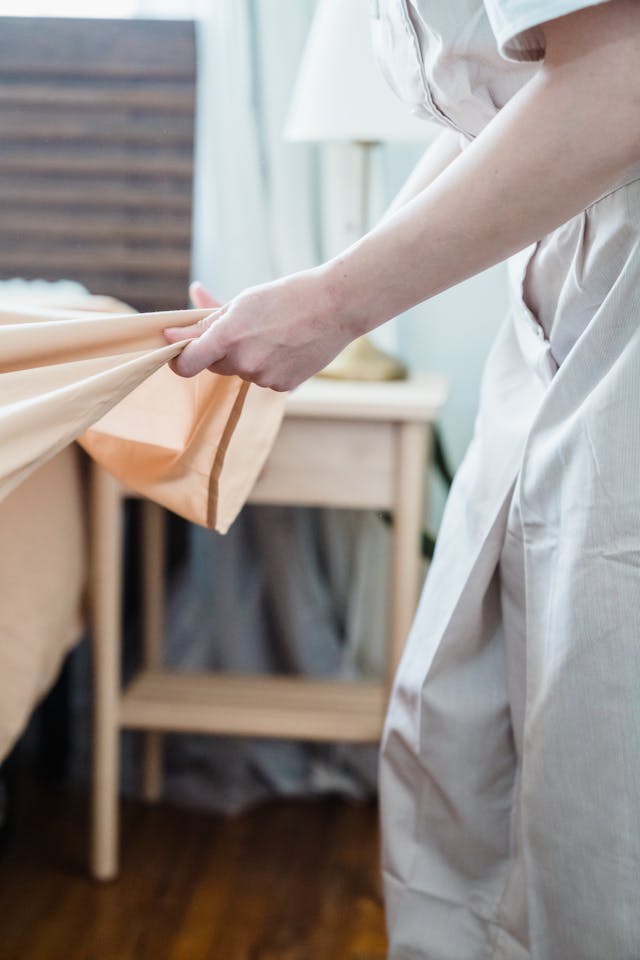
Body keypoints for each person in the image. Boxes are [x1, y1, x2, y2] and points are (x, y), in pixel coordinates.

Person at [166, 1, 640, 956]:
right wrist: (324, 292)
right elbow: (493, 116)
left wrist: (334, 305)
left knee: (599, 788)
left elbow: (622, 74)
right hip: (560, 304)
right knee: (461, 739)